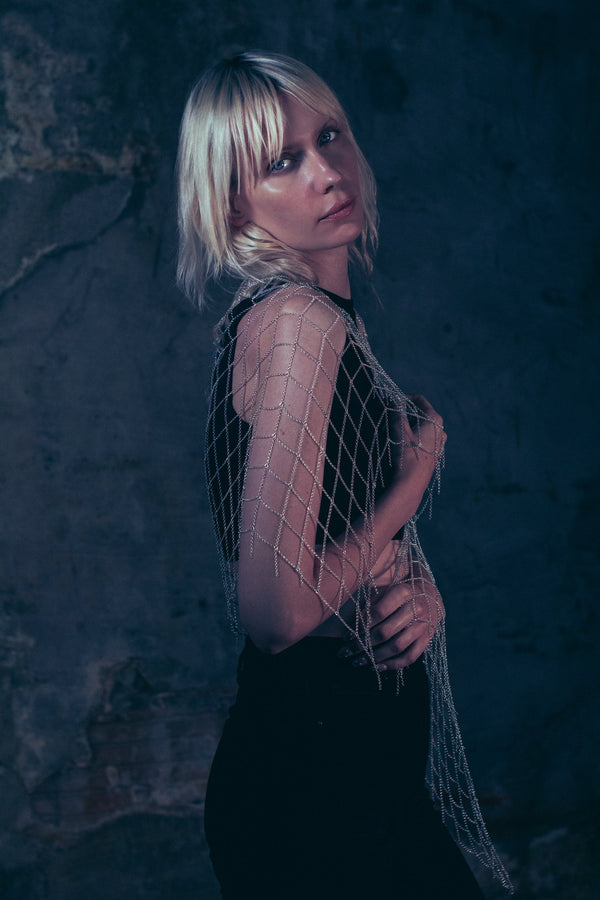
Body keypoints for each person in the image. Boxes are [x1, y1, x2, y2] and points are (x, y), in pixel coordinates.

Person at [177, 51, 512, 899]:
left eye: (329, 137)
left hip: (352, 766)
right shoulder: (299, 323)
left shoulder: (322, 322)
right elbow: (279, 614)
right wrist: (411, 485)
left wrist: (418, 595)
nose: (326, 172)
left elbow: (329, 555)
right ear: (233, 203)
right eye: (282, 161)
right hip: (314, 783)